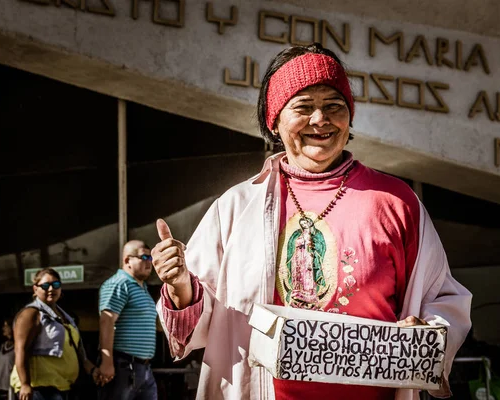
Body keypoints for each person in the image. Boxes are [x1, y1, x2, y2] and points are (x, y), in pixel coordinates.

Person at [151, 43, 472, 400]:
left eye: (334, 106)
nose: (320, 120)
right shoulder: (235, 207)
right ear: (275, 122)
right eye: (303, 108)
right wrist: (180, 284)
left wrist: (426, 330)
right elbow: (200, 325)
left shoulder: (396, 201)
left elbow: (443, 296)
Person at [10, 268, 98, 400]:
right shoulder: (31, 313)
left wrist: (93, 370)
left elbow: (79, 353)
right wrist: (25, 384)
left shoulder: (66, 318)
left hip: (62, 387)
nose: (51, 289)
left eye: (56, 285)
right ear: (35, 289)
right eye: (45, 286)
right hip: (39, 388)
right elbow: (20, 349)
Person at [97, 240, 158, 400]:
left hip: (143, 367)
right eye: (144, 257)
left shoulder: (141, 287)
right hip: (123, 366)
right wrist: (107, 362)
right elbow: (107, 321)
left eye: (150, 258)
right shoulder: (119, 283)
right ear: (127, 260)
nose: (149, 262)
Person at [0, 318, 15, 400]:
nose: (3, 328)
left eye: (6, 326)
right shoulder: (3, 346)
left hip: (10, 386)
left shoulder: (17, 347)